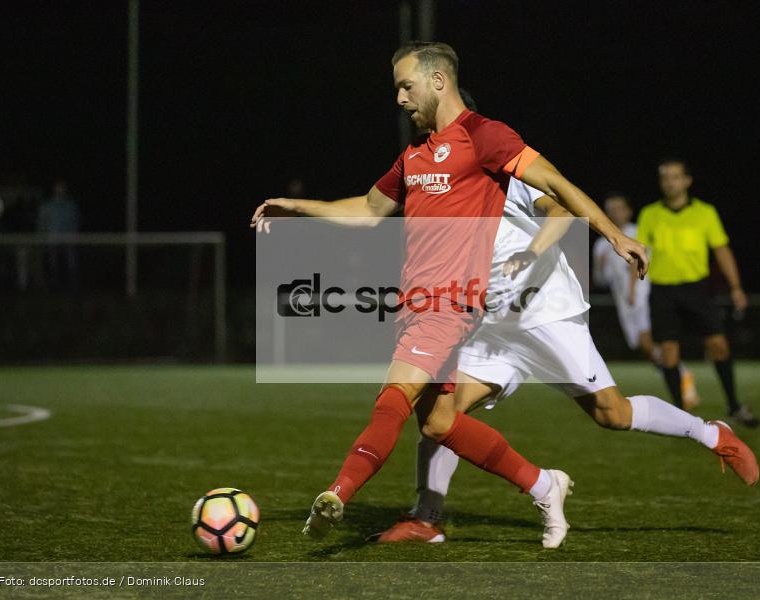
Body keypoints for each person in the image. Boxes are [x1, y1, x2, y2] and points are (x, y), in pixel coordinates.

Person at [251, 41, 648, 547]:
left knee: (392, 399)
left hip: (451, 304)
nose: (398, 98)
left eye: (405, 85)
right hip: (414, 304)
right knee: (440, 424)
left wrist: (616, 236)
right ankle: (545, 485)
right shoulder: (413, 156)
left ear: (438, 81)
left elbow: (559, 187)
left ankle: (338, 493)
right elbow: (368, 211)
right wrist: (297, 207)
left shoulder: (486, 137)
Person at [378, 177, 758, 544]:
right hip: (493, 326)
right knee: (439, 416)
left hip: (547, 315)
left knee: (613, 414)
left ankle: (712, 433)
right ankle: (426, 518)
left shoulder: (506, 177)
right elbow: (374, 209)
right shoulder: (438, 188)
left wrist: (530, 252)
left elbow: (559, 211)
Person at [636, 159, 760, 427]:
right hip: (663, 291)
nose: (670, 182)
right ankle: (679, 414)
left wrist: (736, 286)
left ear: (687, 181)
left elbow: (722, 250)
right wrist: (632, 286)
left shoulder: (705, 212)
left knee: (718, 345)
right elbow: (639, 251)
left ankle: (734, 405)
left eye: (676, 177)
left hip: (697, 289)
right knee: (669, 352)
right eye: (665, 177)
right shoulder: (649, 213)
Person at [592, 193, 699, 409]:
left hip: (640, 295)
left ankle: (683, 377)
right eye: (610, 209)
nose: (614, 213)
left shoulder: (633, 232)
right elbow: (600, 279)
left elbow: (636, 262)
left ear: (628, 211)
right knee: (644, 347)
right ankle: (679, 376)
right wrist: (602, 266)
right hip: (623, 301)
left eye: (619, 208)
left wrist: (632, 290)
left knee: (646, 340)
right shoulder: (601, 243)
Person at [37, 179, 80, 290]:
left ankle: (72, 281)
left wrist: (74, 234)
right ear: (54, 189)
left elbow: (75, 221)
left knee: (70, 258)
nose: (60, 190)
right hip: (52, 236)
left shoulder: (71, 205)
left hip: (68, 237)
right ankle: (54, 280)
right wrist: (42, 235)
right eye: (58, 187)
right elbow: (42, 222)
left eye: (62, 187)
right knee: (53, 259)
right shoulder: (48, 205)